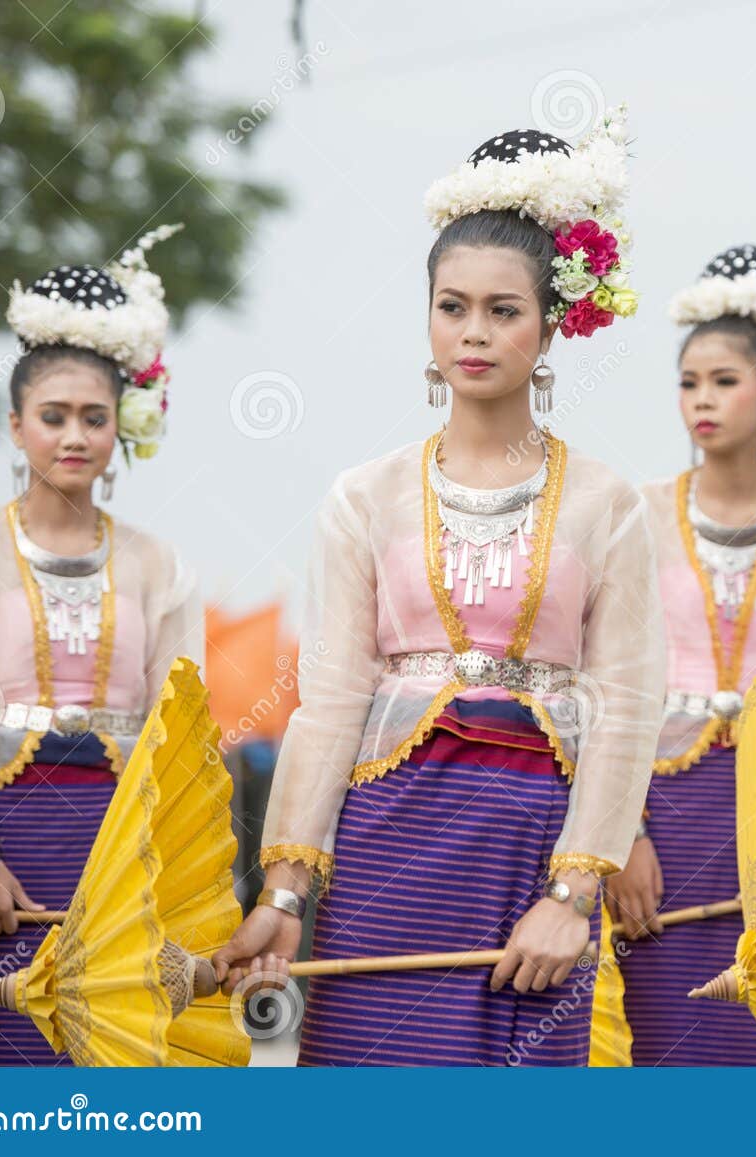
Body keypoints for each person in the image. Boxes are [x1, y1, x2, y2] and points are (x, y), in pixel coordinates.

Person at [211, 107, 665, 1066]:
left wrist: (573, 896)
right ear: (426, 316)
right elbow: (330, 701)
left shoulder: (606, 503)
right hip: (386, 842)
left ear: (552, 326)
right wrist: (286, 892)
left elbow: (625, 707)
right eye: (452, 306)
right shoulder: (363, 496)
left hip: (532, 849)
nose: (475, 332)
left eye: (504, 311)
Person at [0, 229, 200, 1065]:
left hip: (121, 851)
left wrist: (171, 880)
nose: (73, 436)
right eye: (53, 416)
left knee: (115, 1073)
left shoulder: (160, 563)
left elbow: (181, 733)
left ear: (121, 427)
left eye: (93, 418)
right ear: (15, 425)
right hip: (1, 851)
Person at [604, 244, 756, 1065]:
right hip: (660, 822)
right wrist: (621, 833)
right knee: (657, 1031)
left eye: (723, 380)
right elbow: (605, 685)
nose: (703, 400)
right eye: (689, 382)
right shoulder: (633, 517)